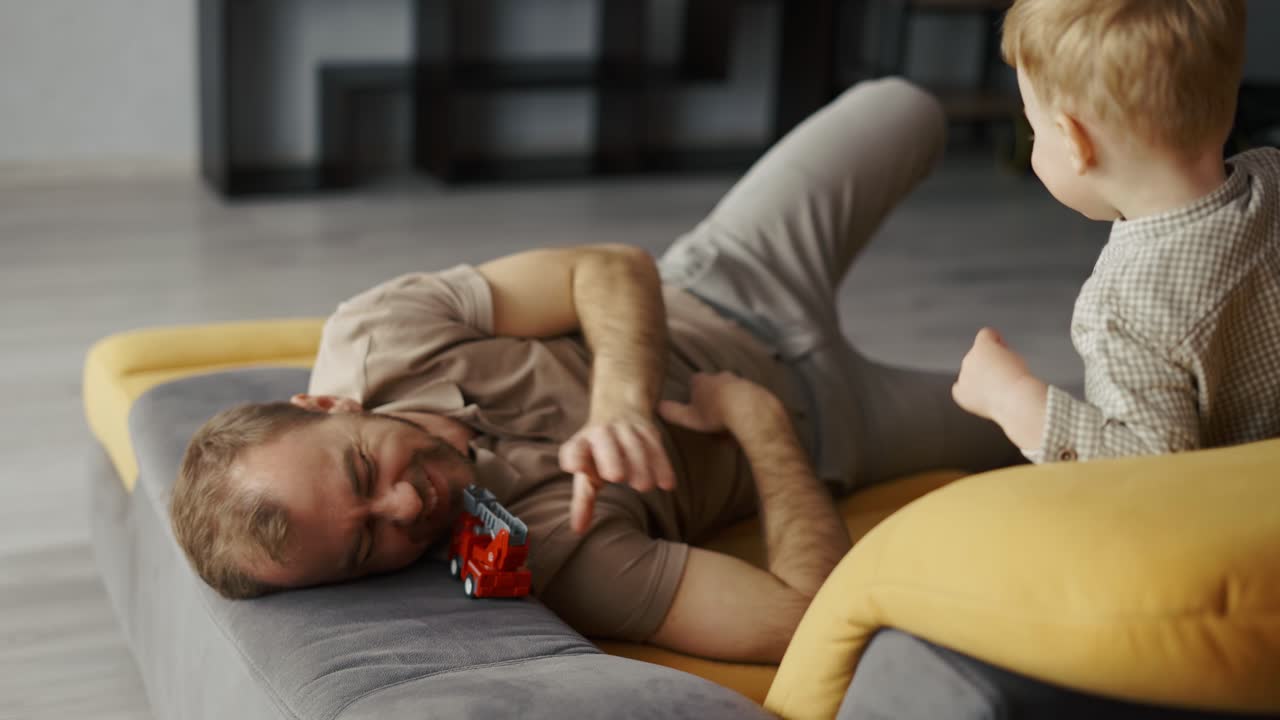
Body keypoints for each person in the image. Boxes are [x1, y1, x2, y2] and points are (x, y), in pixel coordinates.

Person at [170, 77, 1021, 664]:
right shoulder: (549, 557)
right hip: (833, 425)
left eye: (363, 470)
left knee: (903, 107)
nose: (402, 507)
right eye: (365, 545)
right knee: (1046, 431)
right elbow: (804, 618)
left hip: (725, 279)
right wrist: (761, 428)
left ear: (326, 401)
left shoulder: (378, 333)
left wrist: (622, 406)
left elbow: (608, 268)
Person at [953, 0, 1280, 464]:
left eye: (1033, 131)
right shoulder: (1273, 174)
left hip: (1237, 503)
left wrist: (1014, 398)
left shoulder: (1125, 310)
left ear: (1075, 142)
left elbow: (1143, 472)